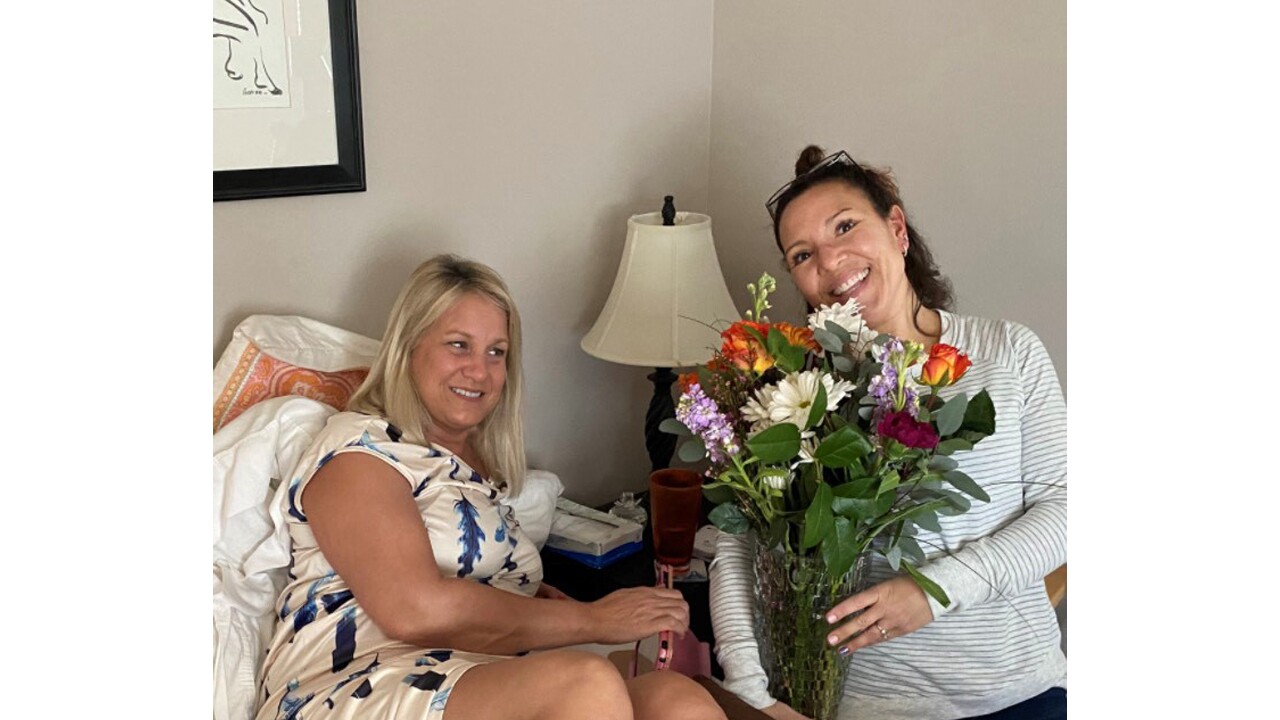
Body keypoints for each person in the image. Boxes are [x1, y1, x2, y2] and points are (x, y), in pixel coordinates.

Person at [256, 255, 727, 720]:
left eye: (496, 352)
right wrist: (593, 620)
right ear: (408, 348)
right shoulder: (358, 452)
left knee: (676, 700)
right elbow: (413, 609)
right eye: (458, 345)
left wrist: (539, 596)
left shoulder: (475, 471)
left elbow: (473, 582)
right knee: (587, 683)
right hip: (354, 684)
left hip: (472, 673)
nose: (479, 371)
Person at [709, 146, 1067, 720]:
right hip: (859, 703)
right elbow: (737, 550)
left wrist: (936, 589)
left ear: (897, 229)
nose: (830, 262)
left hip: (1014, 693)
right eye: (803, 254)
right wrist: (752, 693)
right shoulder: (791, 393)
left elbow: (1066, 509)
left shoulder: (1009, 353)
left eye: (845, 226)